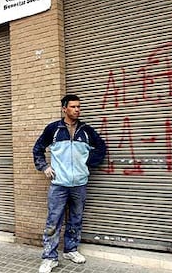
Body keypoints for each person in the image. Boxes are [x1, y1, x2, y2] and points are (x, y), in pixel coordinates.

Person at [32, 94, 106, 273]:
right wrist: (44, 167)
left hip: (79, 184)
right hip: (59, 184)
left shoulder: (86, 130)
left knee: (75, 219)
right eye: (73, 107)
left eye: (79, 106)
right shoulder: (53, 129)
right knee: (53, 221)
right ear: (64, 109)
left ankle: (70, 250)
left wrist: (86, 164)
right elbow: (38, 149)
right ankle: (50, 258)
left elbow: (101, 149)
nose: (77, 110)